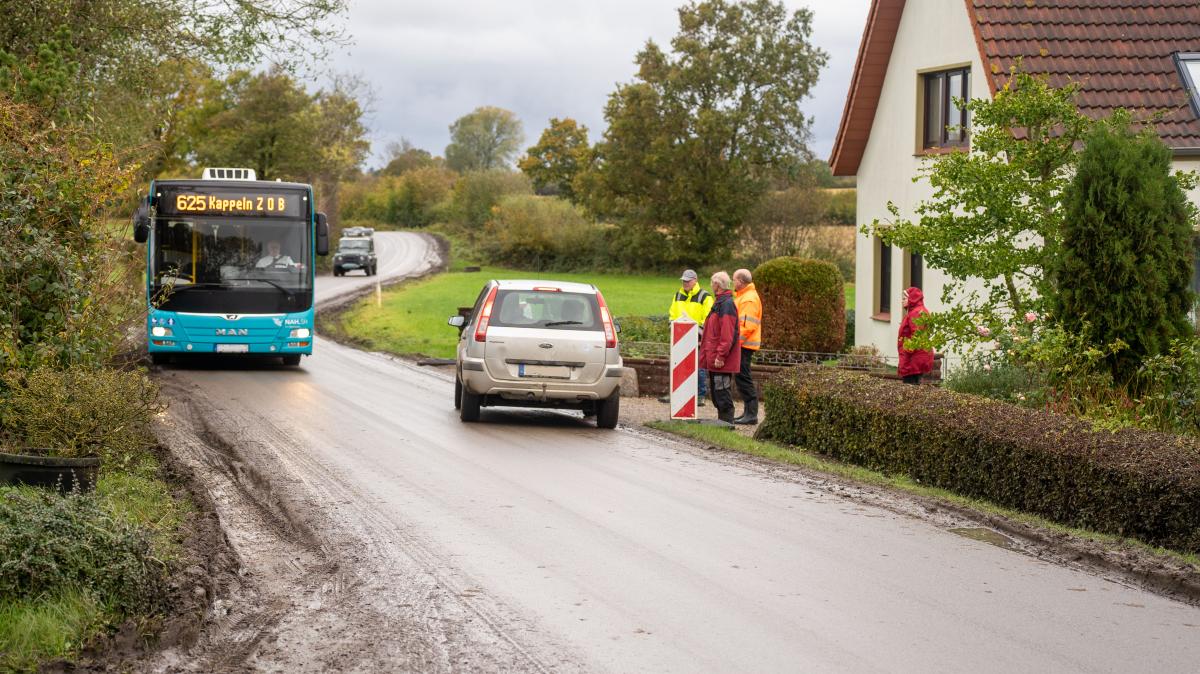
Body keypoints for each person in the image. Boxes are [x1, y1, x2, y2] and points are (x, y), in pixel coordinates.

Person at [661, 269, 714, 405]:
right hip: (679, 335)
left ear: (695, 280)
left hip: (697, 336)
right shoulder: (678, 295)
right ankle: (675, 394)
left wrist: (699, 331)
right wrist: (672, 326)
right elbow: (672, 313)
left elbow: (708, 317)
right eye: (684, 280)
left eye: (688, 281)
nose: (685, 283)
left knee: (698, 366)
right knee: (677, 365)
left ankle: (700, 395)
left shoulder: (705, 297)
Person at [699, 271, 741, 424]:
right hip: (715, 358)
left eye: (712, 283)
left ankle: (727, 424)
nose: (711, 285)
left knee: (722, 392)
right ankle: (723, 423)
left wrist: (720, 356)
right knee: (717, 393)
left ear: (717, 285)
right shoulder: (720, 303)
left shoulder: (726, 304)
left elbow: (727, 334)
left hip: (720, 360)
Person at [732, 268, 762, 424]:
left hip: (744, 346)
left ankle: (751, 415)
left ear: (740, 281)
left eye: (734, 280)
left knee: (744, 378)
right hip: (743, 345)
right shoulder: (744, 296)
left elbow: (747, 325)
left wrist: (735, 343)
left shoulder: (748, 299)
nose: (733, 283)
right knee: (742, 378)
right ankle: (747, 413)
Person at [897, 286, 934, 385]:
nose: (902, 301)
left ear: (912, 299)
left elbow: (917, 335)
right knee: (915, 389)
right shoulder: (918, 311)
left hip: (913, 359)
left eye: (904, 299)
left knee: (910, 389)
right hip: (916, 357)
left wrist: (906, 352)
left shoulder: (916, 313)